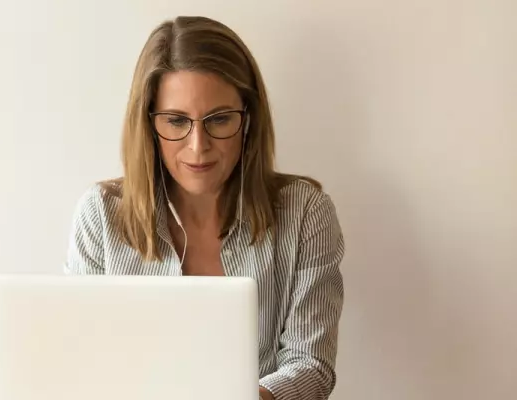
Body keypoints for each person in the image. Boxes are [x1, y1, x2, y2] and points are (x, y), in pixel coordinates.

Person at [63, 15, 345, 400]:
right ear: (147, 124)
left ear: (248, 118)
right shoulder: (100, 216)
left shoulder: (305, 213)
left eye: (220, 120)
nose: (199, 146)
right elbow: (78, 361)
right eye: (177, 121)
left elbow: (311, 366)